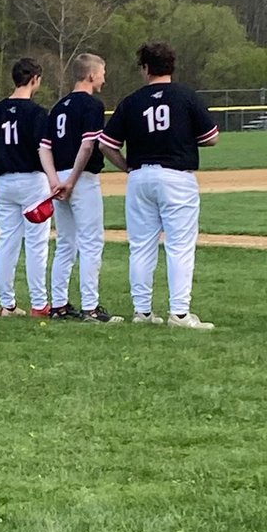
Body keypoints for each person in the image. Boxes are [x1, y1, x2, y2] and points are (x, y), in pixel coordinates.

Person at [99, 43, 219, 330]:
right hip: (177, 176)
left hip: (140, 175)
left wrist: (126, 165)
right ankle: (179, 313)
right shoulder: (186, 96)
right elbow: (212, 137)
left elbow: (105, 144)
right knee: (179, 246)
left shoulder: (132, 101)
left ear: (145, 68)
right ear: (172, 66)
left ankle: (142, 312)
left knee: (140, 246)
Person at [40, 54, 115, 322]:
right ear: (91, 75)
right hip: (80, 178)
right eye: (102, 72)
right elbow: (87, 145)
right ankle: (90, 307)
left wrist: (53, 180)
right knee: (91, 242)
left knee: (65, 243)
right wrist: (71, 180)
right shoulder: (92, 105)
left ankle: (59, 304)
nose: (104, 77)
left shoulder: (59, 106)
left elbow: (44, 147)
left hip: (59, 177)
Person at [0, 57, 52, 318]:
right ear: (34, 79)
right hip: (33, 181)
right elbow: (43, 149)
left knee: (7, 243)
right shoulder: (36, 112)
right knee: (36, 245)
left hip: (6, 182)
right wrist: (51, 178)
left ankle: (7, 304)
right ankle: (39, 303)